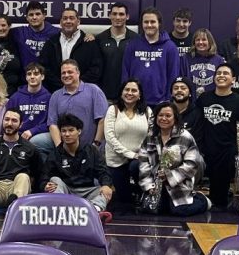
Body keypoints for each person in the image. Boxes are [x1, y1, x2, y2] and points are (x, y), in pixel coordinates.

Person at [192, 64, 239, 213]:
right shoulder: (204, 98)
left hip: (230, 151)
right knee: (218, 203)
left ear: (233, 80)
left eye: (226, 73)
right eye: (218, 73)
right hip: (207, 150)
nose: (221, 75)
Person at [137, 103, 209, 216]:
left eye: (168, 115)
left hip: (179, 184)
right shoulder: (150, 136)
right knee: (152, 210)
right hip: (156, 184)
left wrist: (169, 176)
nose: (163, 118)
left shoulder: (185, 137)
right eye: (160, 115)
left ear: (175, 118)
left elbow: (192, 164)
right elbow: (143, 163)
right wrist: (149, 186)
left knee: (179, 211)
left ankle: (202, 200)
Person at [47, 113, 115, 221]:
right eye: (64, 131)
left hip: (88, 192)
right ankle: (60, 211)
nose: (67, 134)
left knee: (106, 190)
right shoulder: (54, 154)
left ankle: (94, 211)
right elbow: (45, 176)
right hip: (66, 192)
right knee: (54, 180)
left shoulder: (91, 151)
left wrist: (106, 185)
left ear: (79, 131)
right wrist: (46, 185)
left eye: (71, 130)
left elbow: (103, 171)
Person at [35, 60, 108, 152]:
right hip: (65, 145)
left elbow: (102, 120)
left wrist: (96, 144)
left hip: (91, 147)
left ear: (78, 73)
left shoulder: (94, 90)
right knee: (36, 142)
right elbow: (52, 124)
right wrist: (60, 148)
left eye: (70, 72)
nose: (66, 75)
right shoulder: (55, 95)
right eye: (63, 73)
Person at [103, 79, 152, 210]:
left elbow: (151, 137)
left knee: (136, 167)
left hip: (139, 159)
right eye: (127, 90)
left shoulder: (147, 111)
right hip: (116, 160)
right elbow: (110, 138)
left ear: (140, 94)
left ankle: (143, 194)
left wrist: (140, 155)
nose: (130, 93)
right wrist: (130, 154)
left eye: (134, 90)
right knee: (124, 199)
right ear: (121, 92)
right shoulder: (113, 110)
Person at [122, 7, 181, 106]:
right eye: (146, 22)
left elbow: (173, 76)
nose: (149, 25)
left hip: (160, 103)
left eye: (153, 22)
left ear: (159, 23)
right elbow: (125, 73)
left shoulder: (170, 47)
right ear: (142, 24)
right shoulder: (132, 45)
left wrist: (167, 100)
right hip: (134, 102)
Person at [41, 8, 103, 91]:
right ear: (60, 22)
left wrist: (77, 84)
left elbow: (96, 69)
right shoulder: (51, 42)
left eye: (71, 18)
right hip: (56, 91)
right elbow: (44, 67)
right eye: (65, 18)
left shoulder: (90, 43)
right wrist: (61, 84)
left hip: (83, 92)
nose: (68, 21)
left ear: (78, 21)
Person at [96, 2, 139, 100]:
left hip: (129, 95)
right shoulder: (100, 39)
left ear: (127, 16)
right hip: (105, 95)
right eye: (114, 14)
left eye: (121, 14)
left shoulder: (136, 39)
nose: (118, 17)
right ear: (109, 16)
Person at [6, 63, 51, 142]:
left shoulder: (49, 98)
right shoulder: (15, 98)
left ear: (42, 77)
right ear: (26, 77)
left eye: (36, 74)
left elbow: (50, 123)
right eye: (29, 74)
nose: (32, 77)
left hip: (40, 136)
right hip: (18, 136)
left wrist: (32, 131)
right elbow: (7, 121)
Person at [10, 1, 59, 67]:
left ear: (44, 16)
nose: (34, 17)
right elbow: (0, 31)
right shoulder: (19, 32)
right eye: (31, 15)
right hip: (26, 76)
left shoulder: (56, 32)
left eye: (37, 14)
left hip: (48, 75)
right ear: (27, 18)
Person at [185, 29, 223, 96]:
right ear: (194, 42)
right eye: (197, 40)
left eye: (204, 39)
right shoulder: (186, 58)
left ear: (210, 42)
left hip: (212, 98)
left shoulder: (218, 60)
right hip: (191, 99)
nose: (200, 42)